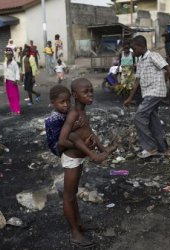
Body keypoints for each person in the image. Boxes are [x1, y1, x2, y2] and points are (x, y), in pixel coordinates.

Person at [58, 78, 117, 248]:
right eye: (86, 92)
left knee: (73, 193)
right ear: (75, 95)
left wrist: (103, 148)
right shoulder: (74, 114)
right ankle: (75, 234)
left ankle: (79, 225)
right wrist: (83, 149)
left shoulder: (82, 113)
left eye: (91, 90)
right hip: (71, 159)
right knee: (69, 197)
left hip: (79, 157)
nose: (90, 94)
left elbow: (90, 133)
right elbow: (62, 141)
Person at [123, 35, 170, 158]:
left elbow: (168, 68)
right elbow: (137, 81)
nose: (133, 51)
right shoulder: (140, 61)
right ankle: (163, 148)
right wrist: (130, 98)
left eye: (134, 49)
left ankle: (150, 147)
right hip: (148, 93)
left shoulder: (153, 55)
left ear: (141, 46)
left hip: (155, 92)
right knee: (154, 121)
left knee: (139, 117)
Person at [45, 85, 97, 158]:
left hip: (65, 138)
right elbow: (60, 140)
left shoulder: (66, 111)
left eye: (68, 101)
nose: (66, 105)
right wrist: (74, 128)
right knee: (73, 135)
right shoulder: (54, 119)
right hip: (57, 147)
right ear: (53, 102)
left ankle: (88, 145)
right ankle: (85, 148)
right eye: (62, 102)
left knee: (82, 129)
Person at [3, 48, 21, 115]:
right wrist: (3, 77)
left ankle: (17, 110)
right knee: (10, 96)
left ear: (12, 55)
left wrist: (16, 80)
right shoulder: (5, 63)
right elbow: (5, 71)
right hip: (7, 81)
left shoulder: (14, 63)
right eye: (7, 55)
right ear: (6, 55)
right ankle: (12, 110)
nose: (9, 56)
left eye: (10, 55)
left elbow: (17, 71)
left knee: (15, 96)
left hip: (13, 81)